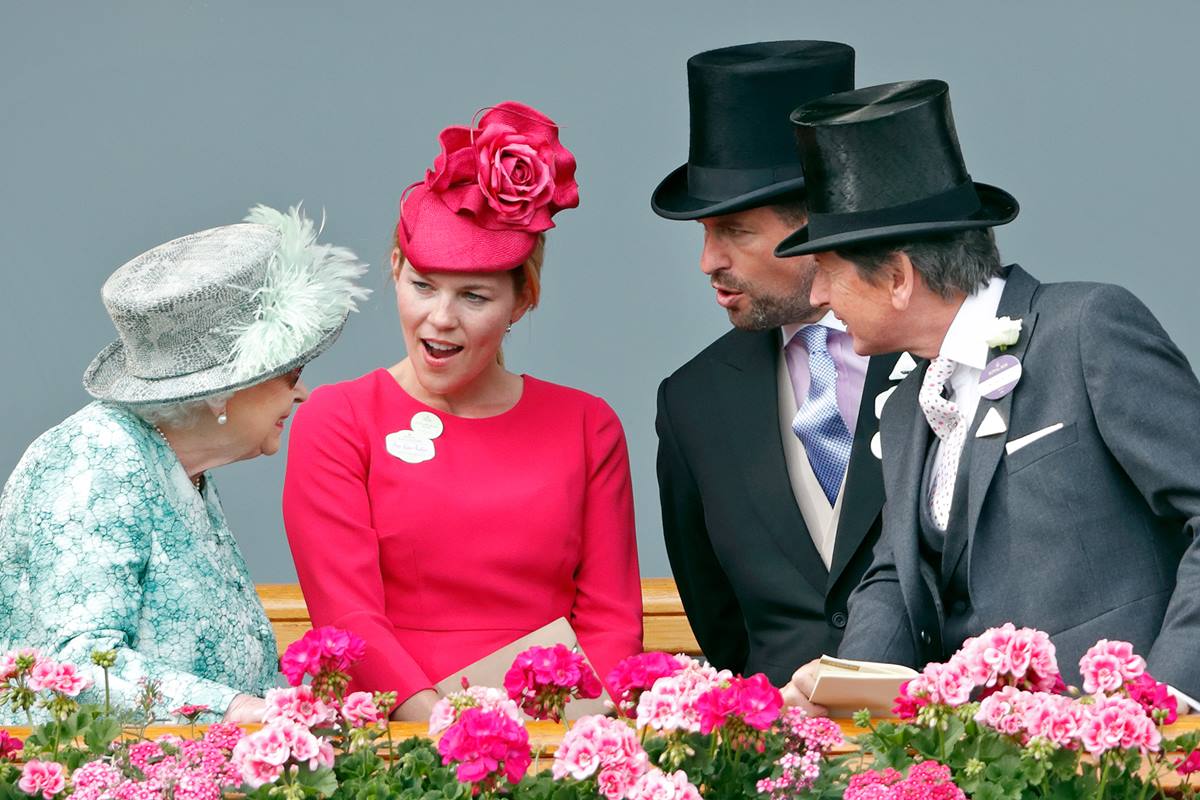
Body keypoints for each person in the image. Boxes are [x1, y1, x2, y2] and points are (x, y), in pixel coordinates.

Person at [777, 80, 1200, 710]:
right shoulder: (901, 409)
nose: (816, 300)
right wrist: (837, 697)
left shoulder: (1086, 329)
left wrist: (1170, 707)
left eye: (828, 274)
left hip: (1121, 755)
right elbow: (898, 576)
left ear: (897, 277)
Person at [283, 102, 643, 721]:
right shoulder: (338, 419)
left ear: (522, 300)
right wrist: (444, 732)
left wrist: (577, 733)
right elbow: (347, 615)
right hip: (398, 735)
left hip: (560, 731)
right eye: (422, 285)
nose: (440, 318)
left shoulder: (588, 425)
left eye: (474, 296)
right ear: (394, 270)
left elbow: (611, 618)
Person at [0, 205, 369, 722]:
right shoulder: (93, 464)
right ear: (223, 390)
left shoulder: (175, 463)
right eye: (291, 373)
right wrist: (241, 710)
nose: (303, 393)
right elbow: (79, 669)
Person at [650, 40, 903, 686]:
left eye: (734, 231)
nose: (708, 262)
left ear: (817, 222)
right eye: (703, 233)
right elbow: (722, 626)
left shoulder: (934, 358)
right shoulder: (692, 402)